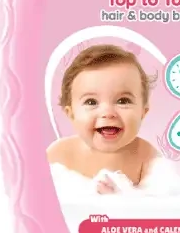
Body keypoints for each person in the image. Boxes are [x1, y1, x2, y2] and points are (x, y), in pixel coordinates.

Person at [47, 44, 158, 192]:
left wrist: (121, 198)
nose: (108, 112)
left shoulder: (147, 157)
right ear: (71, 113)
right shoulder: (59, 155)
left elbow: (160, 199)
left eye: (123, 101)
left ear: (143, 112)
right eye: (91, 102)